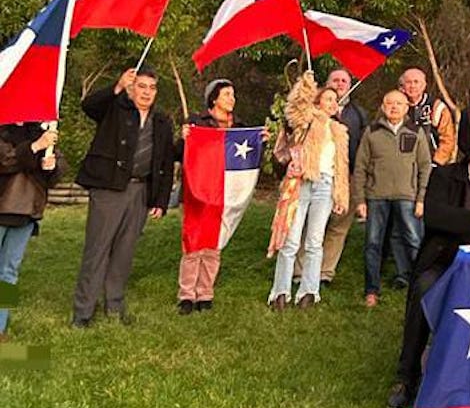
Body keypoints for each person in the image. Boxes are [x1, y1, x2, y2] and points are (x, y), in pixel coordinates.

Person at [388, 130, 470, 408]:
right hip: (444, 262)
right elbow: (435, 217)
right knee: (423, 290)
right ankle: (406, 377)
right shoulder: (446, 176)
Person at [71, 67, 175, 328]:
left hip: (140, 193)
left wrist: (160, 201)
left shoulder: (161, 121)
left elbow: (165, 162)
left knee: (124, 252)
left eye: (152, 88)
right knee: (97, 250)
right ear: (131, 88)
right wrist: (116, 87)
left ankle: (114, 307)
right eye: (141, 86)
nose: (147, 92)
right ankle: (83, 312)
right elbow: (88, 106)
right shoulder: (114, 108)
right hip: (109, 189)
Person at [175, 79, 266, 315]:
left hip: (224, 194)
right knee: (194, 243)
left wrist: (260, 141)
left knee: (214, 244)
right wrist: (184, 138)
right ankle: (187, 294)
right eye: (226, 94)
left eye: (233, 94)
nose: (231, 98)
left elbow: (249, 160)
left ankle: (205, 292)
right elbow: (179, 154)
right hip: (198, 190)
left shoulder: (240, 127)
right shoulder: (197, 123)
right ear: (213, 98)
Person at [267, 72, 349, 310]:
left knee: (315, 241)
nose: (333, 104)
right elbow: (296, 106)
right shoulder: (307, 121)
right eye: (328, 99)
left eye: (335, 100)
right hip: (302, 181)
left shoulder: (338, 131)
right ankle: (280, 290)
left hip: (325, 184)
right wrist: (306, 83)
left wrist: (340, 194)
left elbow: (341, 166)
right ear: (317, 101)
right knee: (291, 240)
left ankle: (309, 291)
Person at [352, 90, 432, 307]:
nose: (394, 107)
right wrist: (359, 200)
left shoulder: (416, 131)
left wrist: (421, 199)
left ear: (407, 107)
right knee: (373, 243)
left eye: (399, 103)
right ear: (383, 106)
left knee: (414, 241)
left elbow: (425, 167)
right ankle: (371, 290)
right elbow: (360, 168)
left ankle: (421, 289)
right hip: (376, 196)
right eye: (390, 103)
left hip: (408, 197)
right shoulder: (372, 131)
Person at [294, 66, 368, 288]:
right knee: (309, 224)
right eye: (335, 80)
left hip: (348, 175)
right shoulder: (312, 114)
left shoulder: (359, 113)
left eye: (344, 81)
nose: (340, 84)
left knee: (338, 226)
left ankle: (325, 272)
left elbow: (363, 145)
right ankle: (299, 272)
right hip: (316, 174)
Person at [0, 123, 60, 340]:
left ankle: (0, 326)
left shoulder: (42, 131)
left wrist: (51, 165)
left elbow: (55, 174)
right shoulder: (3, 129)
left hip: (27, 212)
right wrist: (34, 147)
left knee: (9, 272)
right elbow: (5, 160)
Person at [399, 67, 455, 166]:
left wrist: (437, 162)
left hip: (431, 164)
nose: (412, 86)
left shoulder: (437, 107)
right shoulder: (395, 106)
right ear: (402, 86)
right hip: (401, 166)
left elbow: (448, 139)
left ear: (424, 85)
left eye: (416, 82)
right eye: (408, 82)